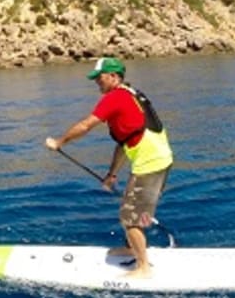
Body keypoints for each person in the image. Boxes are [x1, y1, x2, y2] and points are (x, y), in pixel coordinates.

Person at [45, 57, 173, 278]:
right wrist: (112, 174)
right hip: (162, 161)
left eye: (100, 77)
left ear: (114, 77)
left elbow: (86, 125)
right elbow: (126, 142)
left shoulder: (115, 98)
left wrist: (59, 142)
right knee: (135, 209)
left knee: (129, 218)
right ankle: (134, 247)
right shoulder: (131, 94)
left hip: (150, 165)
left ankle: (143, 268)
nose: (97, 82)